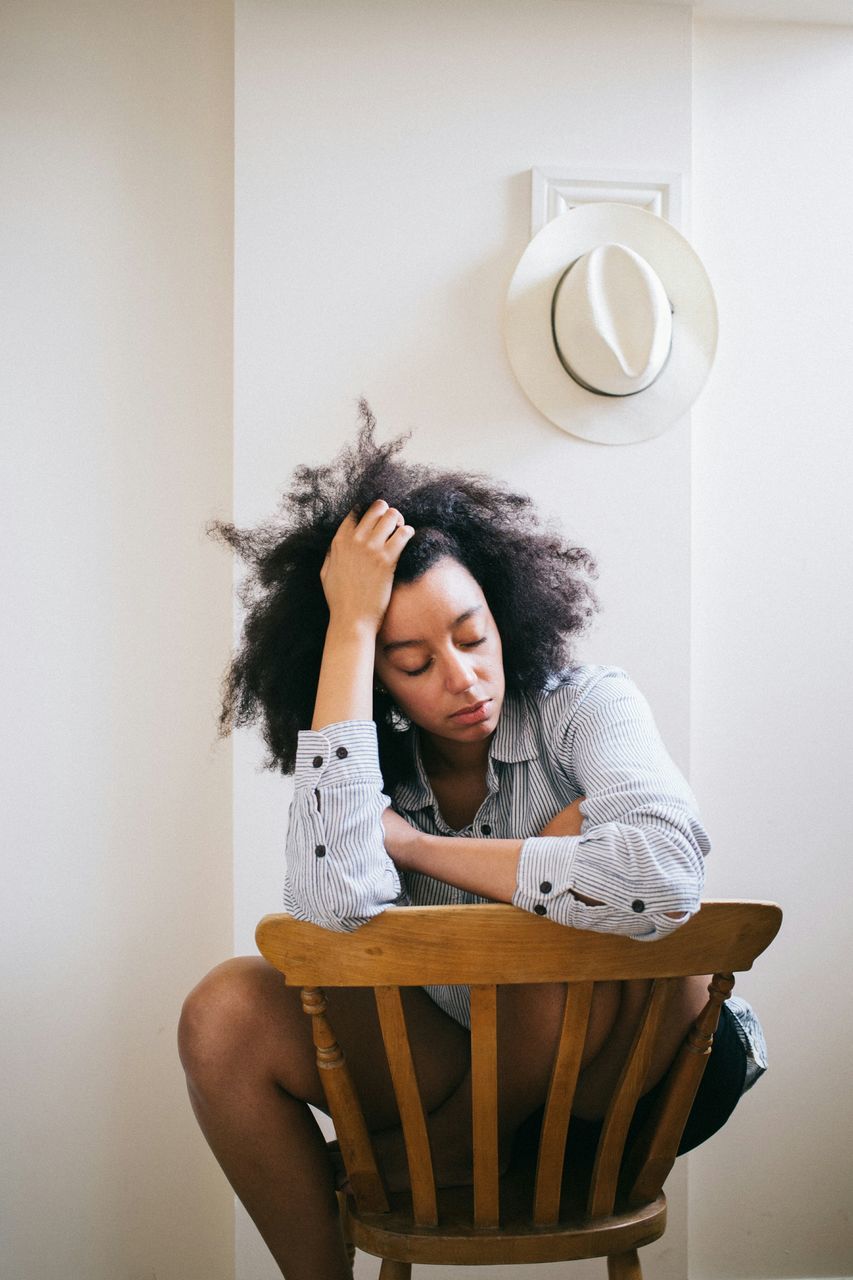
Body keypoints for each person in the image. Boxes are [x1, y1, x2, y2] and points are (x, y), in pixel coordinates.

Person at [178, 404, 766, 1280]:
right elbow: (329, 912)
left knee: (557, 908)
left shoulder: (584, 703)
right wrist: (349, 624)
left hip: (633, 1071)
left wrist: (414, 850)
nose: (460, 679)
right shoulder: (367, 755)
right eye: (411, 663)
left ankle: (448, 1148)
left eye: (472, 636)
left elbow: (661, 875)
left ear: (505, 611)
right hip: (467, 1051)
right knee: (224, 1009)